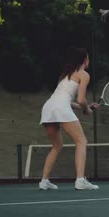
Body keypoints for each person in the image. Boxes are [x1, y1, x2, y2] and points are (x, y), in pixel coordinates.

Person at [38, 47, 100, 190]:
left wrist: (87, 107)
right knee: (81, 141)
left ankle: (44, 181)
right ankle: (80, 180)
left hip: (48, 107)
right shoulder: (84, 74)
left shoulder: (65, 75)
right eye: (88, 57)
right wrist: (86, 109)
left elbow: (67, 101)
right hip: (60, 107)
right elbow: (80, 99)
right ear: (85, 59)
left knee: (57, 146)